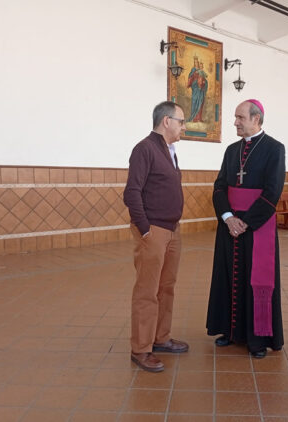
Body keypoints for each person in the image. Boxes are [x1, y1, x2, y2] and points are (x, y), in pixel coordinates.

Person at [206, 99, 285, 359]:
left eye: (240, 117)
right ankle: (230, 331)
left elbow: (272, 192)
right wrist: (228, 217)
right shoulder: (231, 150)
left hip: (257, 226)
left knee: (255, 280)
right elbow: (219, 186)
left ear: (256, 119)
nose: (235, 122)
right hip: (229, 225)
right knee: (228, 276)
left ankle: (257, 338)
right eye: (236, 117)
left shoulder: (274, 148)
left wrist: (246, 222)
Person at [123, 101, 189, 372]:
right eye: (181, 121)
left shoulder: (169, 150)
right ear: (166, 121)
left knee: (166, 287)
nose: (184, 127)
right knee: (147, 291)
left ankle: (161, 338)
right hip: (154, 231)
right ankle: (141, 349)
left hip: (172, 230)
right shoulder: (145, 149)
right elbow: (132, 192)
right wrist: (145, 228)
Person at [187, 58, 208, 122]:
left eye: (197, 62)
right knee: (195, 102)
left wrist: (204, 82)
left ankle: (199, 118)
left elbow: (204, 78)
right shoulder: (193, 70)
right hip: (195, 88)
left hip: (200, 89)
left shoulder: (200, 71)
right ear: (194, 63)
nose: (196, 63)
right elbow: (190, 78)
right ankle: (194, 118)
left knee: (200, 102)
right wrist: (196, 81)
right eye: (195, 62)